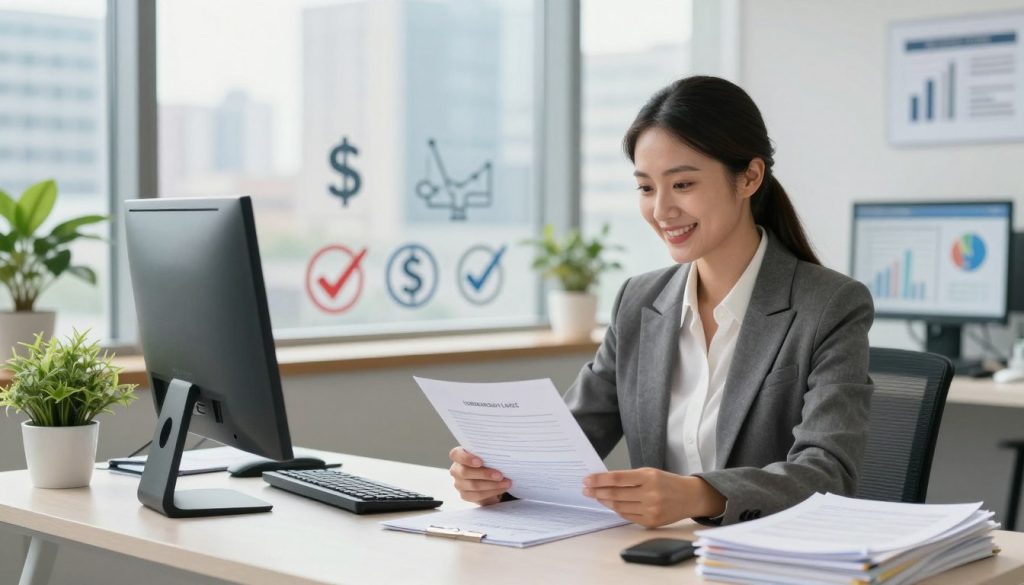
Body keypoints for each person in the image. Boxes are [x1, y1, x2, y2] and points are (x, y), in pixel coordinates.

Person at [448, 75, 874, 528]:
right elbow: (566, 443)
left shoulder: (830, 305)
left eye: (683, 185)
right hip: (653, 559)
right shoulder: (640, 301)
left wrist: (699, 494)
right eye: (647, 188)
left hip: (765, 561)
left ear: (749, 177)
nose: (661, 210)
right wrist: (497, 476)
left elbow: (827, 473)